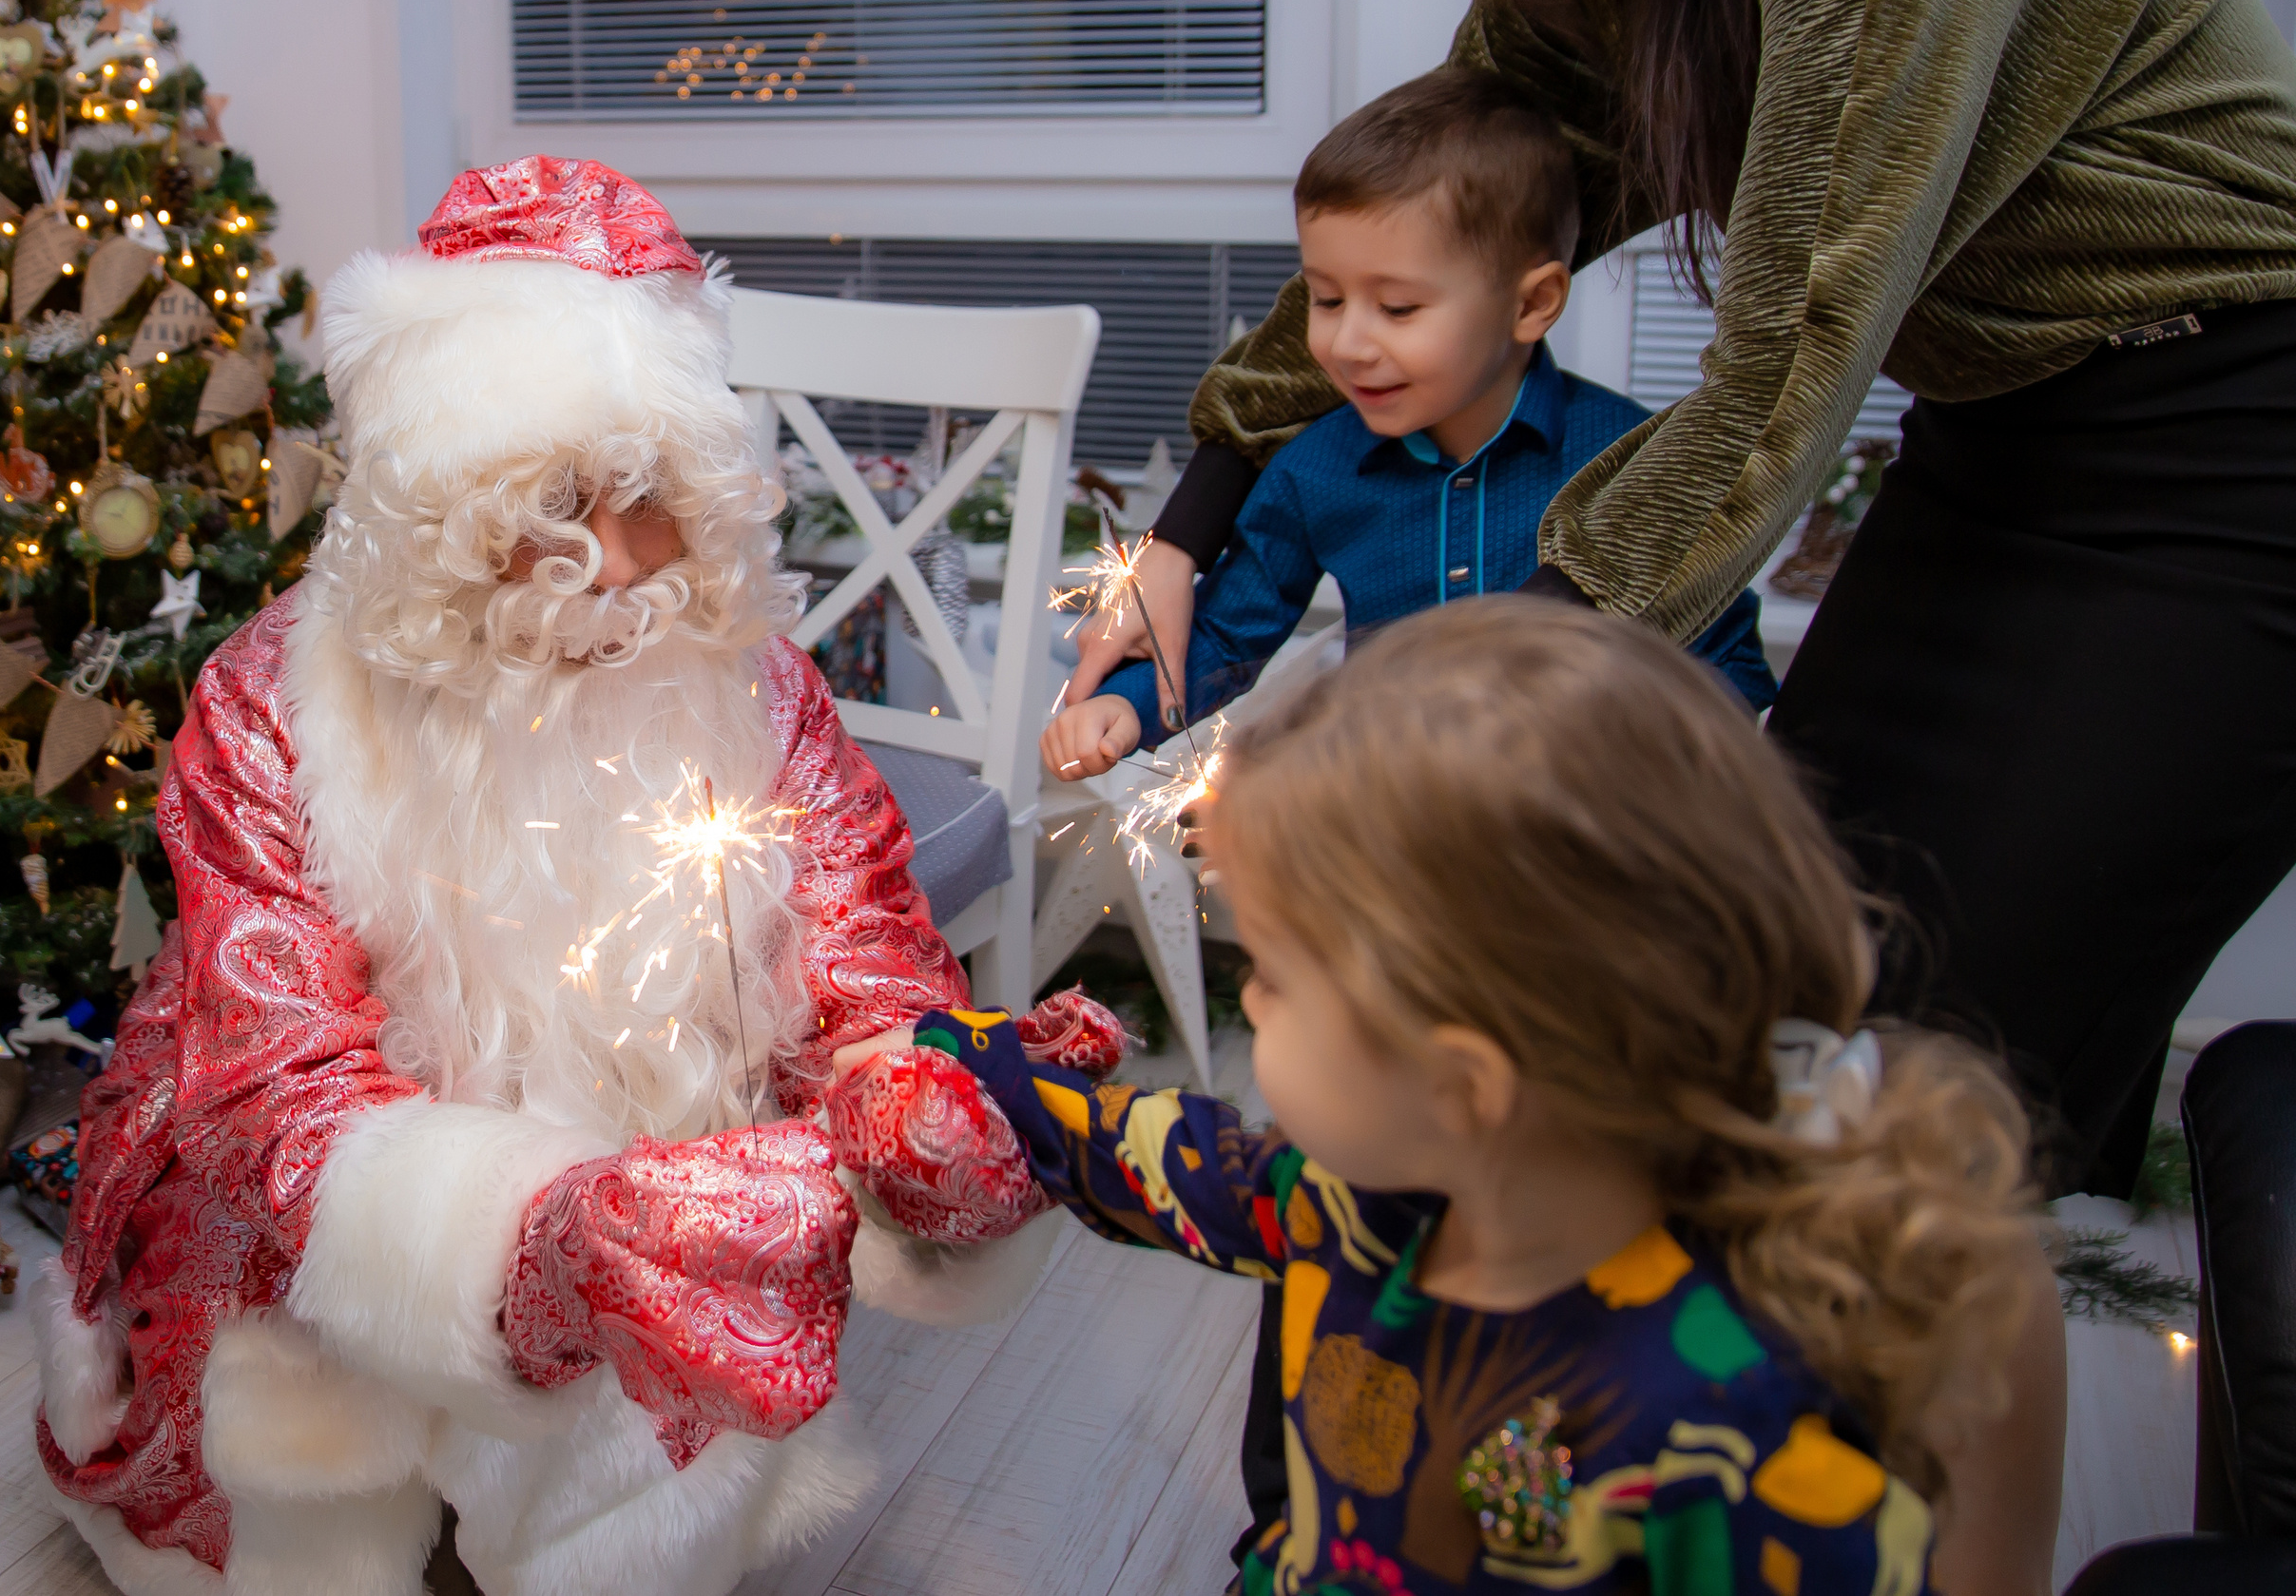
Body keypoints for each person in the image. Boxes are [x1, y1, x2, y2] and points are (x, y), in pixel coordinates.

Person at [31, 157, 1121, 1596]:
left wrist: (910, 1085)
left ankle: (578, 1494)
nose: (611, 564)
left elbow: (859, 931)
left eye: (652, 500)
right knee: (294, 1342)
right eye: (550, 505)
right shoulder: (277, 704)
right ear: (436, 505)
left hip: (659, 1167)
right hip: (332, 1175)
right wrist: (529, 1237)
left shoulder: (758, 690)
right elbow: (277, 1080)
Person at [1068, 0, 2296, 1206]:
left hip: (2227, 448)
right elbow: (1463, 181)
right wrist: (1191, 522)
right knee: (1778, 993)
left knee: (1924, 1103)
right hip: (1992, 428)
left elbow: (1784, 361)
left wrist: (1444, 701)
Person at [841, 597, 2060, 1595]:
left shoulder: (1721, 1442)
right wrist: (953, 1048)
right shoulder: (1348, 1198)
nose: (1251, 1004)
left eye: (1274, 972)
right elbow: (1144, 1152)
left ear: (1462, 1080)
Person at [1044, 71, 1772, 784]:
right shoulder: (1313, 469)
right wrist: (1124, 706)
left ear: (1533, 303)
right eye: (1326, 301)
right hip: (1388, 831)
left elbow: (1726, 666)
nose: (1348, 343)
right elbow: (1226, 633)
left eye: (1397, 309)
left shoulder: (1634, 463)